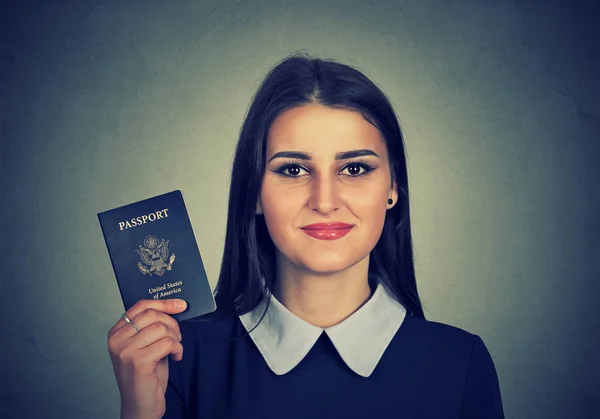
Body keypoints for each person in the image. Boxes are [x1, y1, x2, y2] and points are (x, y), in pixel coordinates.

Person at [107, 53, 505, 419]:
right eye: (294, 170)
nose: (325, 201)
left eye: (355, 169)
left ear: (392, 187)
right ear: (255, 193)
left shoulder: (461, 364)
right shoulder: (176, 358)